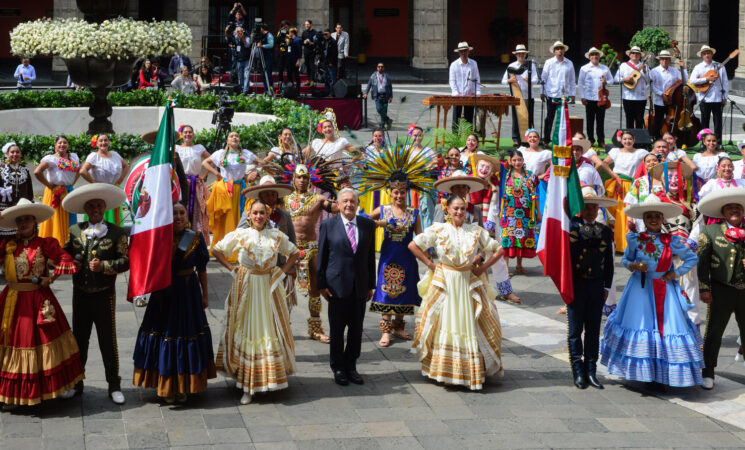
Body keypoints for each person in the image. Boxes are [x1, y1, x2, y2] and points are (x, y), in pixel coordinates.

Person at [601, 195, 703, 390]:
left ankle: (662, 375)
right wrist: (633, 265)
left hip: (665, 289)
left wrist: (675, 273)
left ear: (663, 218)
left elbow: (691, 258)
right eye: (649, 216)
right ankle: (645, 374)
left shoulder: (670, 240)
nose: (654, 220)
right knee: (642, 326)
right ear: (644, 219)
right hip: (640, 289)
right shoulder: (635, 239)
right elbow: (624, 260)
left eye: (657, 216)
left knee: (668, 327)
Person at [409, 195, 504, 390]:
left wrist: (482, 268)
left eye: (462, 208)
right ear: (448, 210)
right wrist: (430, 264)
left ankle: (468, 371)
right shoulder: (439, 228)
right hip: (446, 282)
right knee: (443, 322)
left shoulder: (475, 231)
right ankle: (444, 370)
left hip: (466, 282)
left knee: (468, 323)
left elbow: (498, 249)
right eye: (455, 208)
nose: (459, 212)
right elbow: (413, 245)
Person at [213, 200, 299, 404]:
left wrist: (281, 272)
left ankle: (267, 380)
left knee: (268, 330)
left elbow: (294, 253)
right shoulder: (241, 234)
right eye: (255, 213)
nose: (259, 216)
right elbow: (217, 250)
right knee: (248, 329)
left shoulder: (276, 235)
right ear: (249, 215)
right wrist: (232, 268)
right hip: (247, 287)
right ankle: (248, 386)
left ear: (267, 215)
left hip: (269, 289)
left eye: (262, 213)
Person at [0, 198, 80, 409]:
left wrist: (51, 279)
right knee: (12, 344)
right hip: (11, 301)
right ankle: (12, 392)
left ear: (35, 222)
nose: (24, 223)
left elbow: (66, 261)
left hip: (38, 299)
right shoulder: (8, 246)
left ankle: (47, 389)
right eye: (20, 220)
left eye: (28, 219)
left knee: (40, 342)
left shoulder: (46, 243)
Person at [133, 203, 216, 403]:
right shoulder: (160, 237)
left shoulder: (195, 238)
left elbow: (202, 269)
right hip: (164, 294)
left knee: (187, 334)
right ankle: (167, 385)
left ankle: (186, 386)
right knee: (166, 334)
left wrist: (205, 295)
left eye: (181, 212)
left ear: (187, 215)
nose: (178, 216)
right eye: (174, 213)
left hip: (188, 293)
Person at [359, 145, 434, 347]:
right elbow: (363, 221)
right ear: (390, 192)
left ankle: (399, 327)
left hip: (407, 259)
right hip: (388, 258)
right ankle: (385, 331)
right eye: (396, 193)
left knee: (406, 290)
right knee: (386, 291)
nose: (399, 196)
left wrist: (429, 259)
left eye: (402, 193)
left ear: (406, 192)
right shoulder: (383, 210)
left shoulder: (414, 213)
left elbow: (421, 238)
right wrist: (380, 223)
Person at [61, 184, 130, 404]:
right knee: (78, 340)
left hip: (104, 295)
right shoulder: (75, 231)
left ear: (104, 207)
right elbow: (62, 254)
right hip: (80, 294)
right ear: (86, 209)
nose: (95, 210)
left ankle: (114, 385)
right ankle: (76, 383)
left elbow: (126, 261)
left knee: (107, 341)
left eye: (99, 206)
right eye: (91, 206)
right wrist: (68, 261)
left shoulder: (117, 231)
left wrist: (105, 266)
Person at [317, 189, 376, 386]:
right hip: (336, 286)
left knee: (356, 330)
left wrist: (370, 285)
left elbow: (369, 258)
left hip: (359, 286)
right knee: (336, 330)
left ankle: (351, 366)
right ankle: (338, 368)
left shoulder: (368, 225)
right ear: (339, 205)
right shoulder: (328, 225)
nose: (349, 204)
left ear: (357, 203)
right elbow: (322, 257)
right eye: (345, 201)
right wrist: (321, 285)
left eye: (352, 201)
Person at [284, 159, 339, 343]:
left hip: (311, 248)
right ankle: (282, 327)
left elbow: (334, 208)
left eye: (305, 177)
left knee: (315, 289)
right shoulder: (285, 198)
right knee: (284, 290)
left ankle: (315, 329)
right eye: (299, 177)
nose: (301, 180)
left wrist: (345, 198)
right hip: (289, 249)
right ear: (293, 178)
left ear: (310, 179)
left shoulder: (318, 199)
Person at [567, 187, 616, 389]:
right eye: (587, 207)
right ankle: (578, 370)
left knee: (594, 329)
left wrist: (607, 287)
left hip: (596, 284)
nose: (590, 211)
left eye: (594, 207)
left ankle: (591, 370)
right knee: (575, 329)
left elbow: (609, 262)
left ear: (598, 209)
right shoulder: (571, 227)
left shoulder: (605, 231)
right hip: (577, 283)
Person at [696, 187, 745, 389]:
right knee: (714, 333)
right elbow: (702, 263)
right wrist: (704, 288)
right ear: (723, 212)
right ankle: (708, 372)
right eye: (730, 208)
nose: (734, 211)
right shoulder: (710, 231)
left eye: (738, 208)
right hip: (720, 289)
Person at [239, 175, 296, 309]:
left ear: (277, 196)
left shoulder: (284, 216)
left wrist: (291, 268)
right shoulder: (249, 215)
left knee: (281, 308)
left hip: (280, 268)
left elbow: (293, 242)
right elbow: (239, 235)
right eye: (266, 194)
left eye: (273, 194)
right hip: (257, 270)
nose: (270, 197)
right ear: (260, 196)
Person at [202, 131, 258, 260]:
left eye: (237, 136)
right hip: (225, 189)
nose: (234, 137)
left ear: (239, 140)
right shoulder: (221, 154)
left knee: (241, 217)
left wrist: (255, 171)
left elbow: (260, 162)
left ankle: (240, 249)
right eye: (231, 136)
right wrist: (216, 173)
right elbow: (205, 162)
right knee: (226, 218)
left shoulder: (245, 153)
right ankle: (225, 249)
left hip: (241, 188)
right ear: (227, 140)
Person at [603, 131, 649, 251]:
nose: (627, 141)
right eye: (625, 139)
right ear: (621, 140)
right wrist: (614, 175)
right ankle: (620, 244)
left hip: (632, 184)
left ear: (634, 140)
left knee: (628, 213)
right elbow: (604, 163)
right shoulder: (615, 152)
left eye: (629, 139)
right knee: (620, 213)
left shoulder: (640, 153)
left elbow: (650, 162)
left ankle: (629, 244)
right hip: (618, 183)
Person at [34, 135, 80, 246]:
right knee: (57, 221)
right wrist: (49, 186)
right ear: (55, 145)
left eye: (64, 142)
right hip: (55, 192)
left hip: (69, 191)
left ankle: (70, 246)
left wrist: (72, 183)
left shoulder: (73, 157)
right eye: (59, 143)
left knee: (71, 219)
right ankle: (57, 246)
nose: (62, 145)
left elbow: (79, 170)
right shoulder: (51, 158)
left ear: (68, 145)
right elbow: (37, 172)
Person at [499, 150, 539, 274]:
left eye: (519, 160)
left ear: (523, 161)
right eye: (514, 160)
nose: (517, 162)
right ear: (510, 161)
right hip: (509, 213)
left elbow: (535, 195)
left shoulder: (530, 175)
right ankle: (505, 267)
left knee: (521, 237)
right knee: (508, 237)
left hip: (525, 213)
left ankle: (519, 265)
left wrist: (538, 212)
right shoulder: (505, 175)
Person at [79, 133, 130, 226]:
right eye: (101, 141)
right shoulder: (94, 156)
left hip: (113, 189)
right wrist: (93, 182)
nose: (103, 142)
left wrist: (121, 179)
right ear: (97, 144)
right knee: (99, 212)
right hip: (99, 191)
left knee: (113, 214)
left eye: (105, 140)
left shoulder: (115, 154)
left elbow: (126, 165)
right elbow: (82, 171)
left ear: (109, 142)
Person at [176, 125, 211, 244]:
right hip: (181, 183)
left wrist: (204, 175)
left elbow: (212, 160)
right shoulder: (176, 148)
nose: (188, 134)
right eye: (185, 132)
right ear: (181, 135)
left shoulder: (199, 148)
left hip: (195, 184)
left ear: (193, 134)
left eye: (190, 132)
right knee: (181, 209)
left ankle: (196, 241)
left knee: (197, 212)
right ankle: (181, 240)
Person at [690, 45, 728, 144]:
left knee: (718, 123)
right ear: (702, 55)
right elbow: (693, 80)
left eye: (708, 53)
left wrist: (725, 97)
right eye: (705, 53)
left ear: (712, 54)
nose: (707, 55)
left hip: (717, 98)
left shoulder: (719, 66)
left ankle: (718, 143)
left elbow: (725, 83)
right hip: (705, 98)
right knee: (704, 122)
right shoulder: (698, 67)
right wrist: (706, 79)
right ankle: (704, 143)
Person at [502, 45, 539, 146]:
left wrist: (529, 80)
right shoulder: (511, 66)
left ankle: (530, 137)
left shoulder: (531, 65)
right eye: (519, 54)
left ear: (526, 54)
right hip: (516, 96)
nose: (521, 55)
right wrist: (509, 80)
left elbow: (536, 79)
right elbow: (503, 81)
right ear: (516, 55)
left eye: (523, 54)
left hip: (528, 96)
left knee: (529, 117)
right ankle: (516, 138)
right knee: (516, 117)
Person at [541, 41, 576, 146]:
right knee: (549, 118)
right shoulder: (549, 62)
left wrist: (573, 94)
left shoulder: (569, 63)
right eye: (558, 49)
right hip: (552, 94)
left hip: (564, 96)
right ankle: (546, 139)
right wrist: (542, 92)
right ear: (554, 51)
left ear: (564, 50)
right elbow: (544, 78)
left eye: (561, 49)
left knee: (563, 119)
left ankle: (561, 140)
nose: (560, 51)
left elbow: (572, 80)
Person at [578, 47, 614, 147]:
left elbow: (612, 80)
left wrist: (606, 82)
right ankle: (591, 140)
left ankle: (601, 140)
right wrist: (582, 96)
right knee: (589, 121)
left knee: (600, 121)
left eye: (596, 55)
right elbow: (580, 83)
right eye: (592, 55)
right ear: (589, 57)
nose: (595, 56)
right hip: (589, 97)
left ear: (599, 56)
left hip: (601, 98)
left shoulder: (605, 68)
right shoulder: (584, 68)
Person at [649, 50, 686, 140]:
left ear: (669, 60)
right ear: (659, 60)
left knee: (672, 120)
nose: (664, 61)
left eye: (666, 59)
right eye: (662, 59)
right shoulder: (654, 71)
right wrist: (661, 94)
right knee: (659, 119)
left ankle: (672, 138)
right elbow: (651, 85)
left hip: (672, 99)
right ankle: (657, 137)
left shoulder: (675, 71)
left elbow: (684, 80)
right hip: (659, 99)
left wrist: (683, 69)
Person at [0, 142, 33, 237]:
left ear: (20, 154)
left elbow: (29, 191)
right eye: (12, 152)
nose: (15, 154)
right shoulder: (1, 170)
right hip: (5, 209)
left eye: (17, 152)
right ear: (7, 154)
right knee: (5, 237)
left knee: (21, 235)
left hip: (21, 208)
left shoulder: (25, 170)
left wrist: (30, 205)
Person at [615, 46, 650, 129]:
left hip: (641, 98)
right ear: (630, 55)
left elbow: (649, 80)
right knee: (629, 120)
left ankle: (638, 141)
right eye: (633, 53)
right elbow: (616, 78)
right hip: (628, 97)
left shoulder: (645, 66)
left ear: (640, 55)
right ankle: (629, 140)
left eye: (637, 53)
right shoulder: (624, 65)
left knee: (639, 120)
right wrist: (624, 79)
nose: (635, 55)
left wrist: (644, 71)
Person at [449, 42, 481, 129]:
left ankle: (468, 139)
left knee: (469, 119)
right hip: (458, 95)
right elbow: (452, 81)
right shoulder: (454, 65)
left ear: (468, 52)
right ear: (459, 53)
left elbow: (477, 78)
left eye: (465, 51)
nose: (463, 53)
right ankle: (455, 139)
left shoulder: (474, 63)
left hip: (469, 95)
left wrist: (477, 92)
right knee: (456, 119)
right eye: (462, 51)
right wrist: (456, 93)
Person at [519, 129, 551, 214]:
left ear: (539, 139)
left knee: (538, 208)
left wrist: (543, 175)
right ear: (527, 139)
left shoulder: (545, 153)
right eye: (530, 137)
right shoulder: (521, 150)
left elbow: (554, 165)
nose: (532, 139)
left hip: (537, 184)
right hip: (522, 182)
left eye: (535, 137)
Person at [363, 62, 393, 129]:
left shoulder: (387, 76)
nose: (380, 68)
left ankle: (382, 125)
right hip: (377, 96)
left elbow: (390, 87)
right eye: (379, 67)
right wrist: (365, 93)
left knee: (384, 111)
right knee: (379, 109)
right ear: (377, 68)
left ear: (384, 68)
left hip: (385, 96)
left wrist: (391, 96)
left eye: (382, 67)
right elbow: (369, 85)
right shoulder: (373, 76)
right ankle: (388, 120)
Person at [231, 27, 251, 94]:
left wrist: (242, 38)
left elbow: (247, 45)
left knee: (246, 76)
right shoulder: (235, 38)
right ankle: (241, 89)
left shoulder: (247, 37)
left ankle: (245, 90)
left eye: (241, 31)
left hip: (246, 59)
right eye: (238, 31)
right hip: (239, 59)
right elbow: (231, 44)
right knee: (240, 76)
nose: (240, 33)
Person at [321, 29, 338, 96]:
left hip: (331, 63)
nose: (325, 35)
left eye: (327, 34)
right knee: (325, 78)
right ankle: (327, 91)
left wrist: (331, 62)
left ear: (330, 34)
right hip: (325, 62)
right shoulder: (324, 41)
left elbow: (334, 53)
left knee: (332, 78)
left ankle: (333, 93)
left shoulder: (333, 41)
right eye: (324, 34)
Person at [301, 20, 317, 87]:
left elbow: (316, 43)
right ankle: (308, 80)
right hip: (306, 51)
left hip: (312, 51)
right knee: (307, 66)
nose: (306, 25)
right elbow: (301, 42)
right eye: (305, 24)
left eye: (307, 24)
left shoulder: (314, 32)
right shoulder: (304, 32)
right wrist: (304, 42)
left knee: (311, 66)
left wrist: (311, 43)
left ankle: (312, 80)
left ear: (311, 25)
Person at [275, 20, 292, 86]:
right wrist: (280, 34)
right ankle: (280, 81)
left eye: (286, 26)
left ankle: (290, 82)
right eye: (284, 27)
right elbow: (277, 41)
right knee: (280, 68)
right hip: (282, 52)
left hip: (289, 52)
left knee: (289, 68)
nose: (285, 28)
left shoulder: (290, 32)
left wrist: (288, 37)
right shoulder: (280, 32)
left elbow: (293, 39)